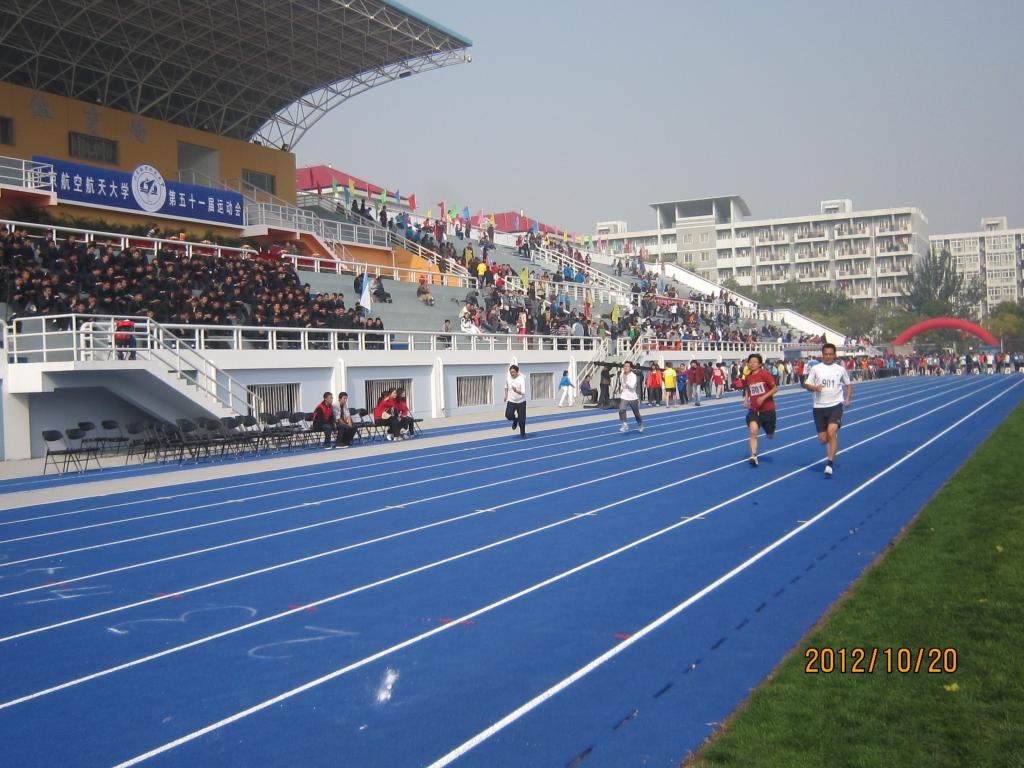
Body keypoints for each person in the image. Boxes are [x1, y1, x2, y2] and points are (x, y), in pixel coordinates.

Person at [804, 342, 853, 477]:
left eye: (831, 354)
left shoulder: (840, 369)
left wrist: (847, 399)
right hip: (819, 407)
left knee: (831, 432)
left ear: (835, 355)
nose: (828, 356)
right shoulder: (816, 369)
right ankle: (832, 439)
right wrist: (814, 388)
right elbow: (807, 385)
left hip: (835, 405)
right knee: (823, 439)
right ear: (822, 355)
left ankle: (830, 463)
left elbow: (849, 385)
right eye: (826, 354)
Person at [743, 353, 778, 467]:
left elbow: (775, 389)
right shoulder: (748, 377)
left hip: (768, 410)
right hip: (754, 409)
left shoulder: (765, 374)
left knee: (770, 435)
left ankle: (770, 431)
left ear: (759, 364)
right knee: (753, 431)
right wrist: (746, 399)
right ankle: (753, 455)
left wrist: (763, 397)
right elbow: (748, 389)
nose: (752, 364)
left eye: (754, 362)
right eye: (750, 362)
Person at [618, 360, 643, 432]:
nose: (625, 367)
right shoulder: (622, 374)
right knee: (621, 409)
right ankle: (624, 424)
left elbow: (632, 386)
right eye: (625, 366)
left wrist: (626, 380)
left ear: (631, 368)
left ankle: (640, 423)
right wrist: (621, 388)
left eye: (627, 366)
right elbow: (621, 383)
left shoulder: (633, 376)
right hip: (624, 396)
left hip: (632, 397)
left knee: (636, 413)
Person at [504, 364, 527, 438]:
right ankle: (515, 420)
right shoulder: (508, 378)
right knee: (508, 415)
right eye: (511, 372)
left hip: (521, 402)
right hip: (511, 401)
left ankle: (523, 434)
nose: (512, 373)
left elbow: (523, 392)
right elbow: (506, 387)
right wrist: (506, 395)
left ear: (517, 372)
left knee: (522, 420)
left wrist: (516, 391)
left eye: (513, 372)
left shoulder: (521, 379)